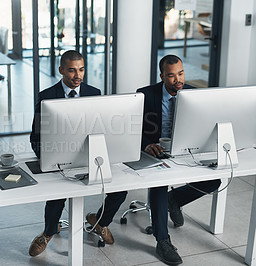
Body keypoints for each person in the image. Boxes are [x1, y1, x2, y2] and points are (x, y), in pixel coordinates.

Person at [29, 50, 127, 257]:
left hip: (89, 155)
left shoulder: (94, 92)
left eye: (81, 70)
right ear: (61, 70)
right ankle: (48, 232)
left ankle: (101, 222)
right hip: (59, 158)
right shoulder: (47, 96)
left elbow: (102, 128)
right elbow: (35, 136)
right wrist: (45, 157)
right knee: (57, 195)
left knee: (121, 189)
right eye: (72, 70)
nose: (77, 76)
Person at [137, 54, 221, 265]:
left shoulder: (193, 94)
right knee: (158, 186)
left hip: (185, 149)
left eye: (181, 73)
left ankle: (174, 200)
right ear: (162, 76)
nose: (178, 80)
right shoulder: (146, 95)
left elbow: (203, 124)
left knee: (215, 179)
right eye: (172, 76)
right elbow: (134, 128)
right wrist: (147, 144)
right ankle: (162, 241)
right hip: (155, 150)